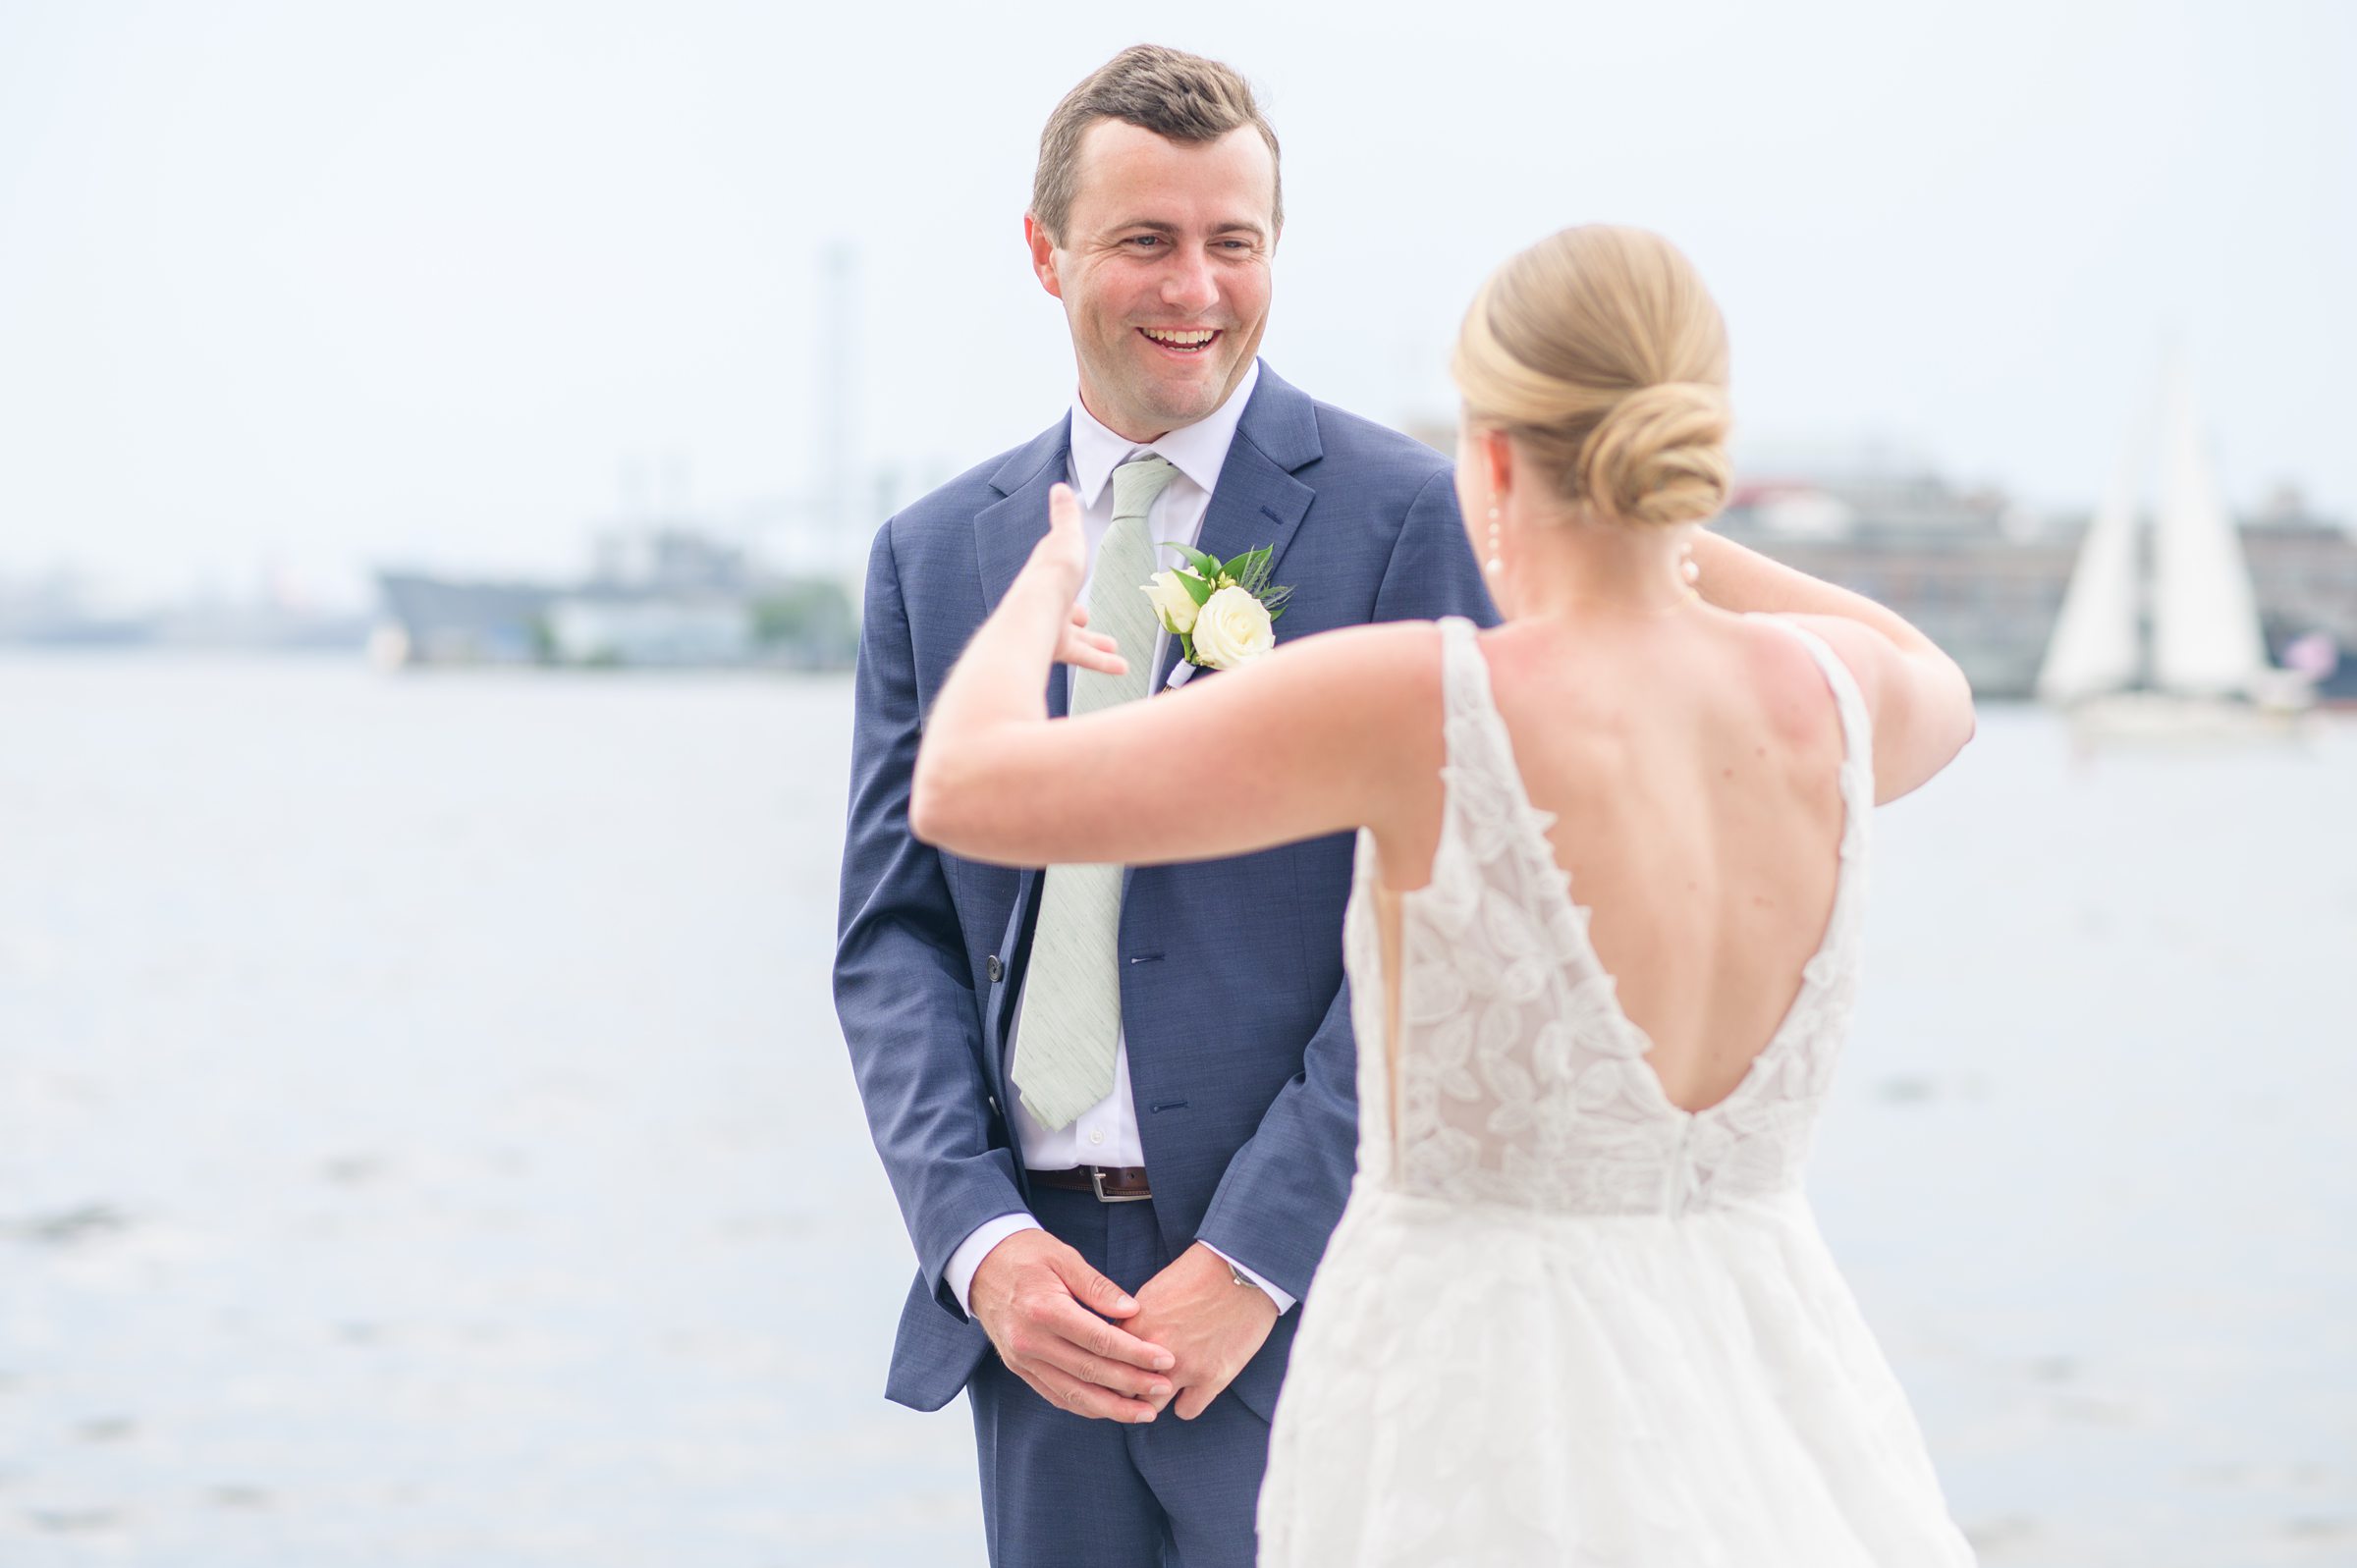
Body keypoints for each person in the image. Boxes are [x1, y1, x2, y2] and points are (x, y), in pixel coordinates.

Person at [909, 224, 1980, 1564]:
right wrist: (1664, 537)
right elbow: (1930, 666)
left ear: (1489, 457)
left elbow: (964, 787)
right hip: (1767, 1385)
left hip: (1479, 1408)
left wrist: (1049, 586)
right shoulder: (1839, 698)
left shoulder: (1433, 702)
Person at [831, 44, 1496, 1568]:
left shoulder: (1407, 523)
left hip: (1310, 1304)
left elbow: (1452, 928)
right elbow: (895, 941)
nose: (1195, 285)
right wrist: (983, 1247)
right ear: (1044, 250)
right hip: (1040, 1327)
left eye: (1234, 242)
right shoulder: (935, 556)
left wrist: (1258, 1256)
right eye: (1146, 239)